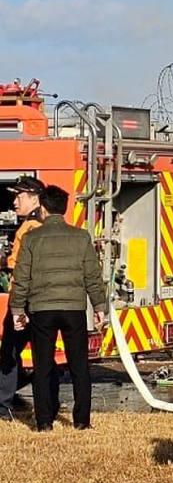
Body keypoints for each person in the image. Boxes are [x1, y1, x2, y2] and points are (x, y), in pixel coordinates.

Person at [10, 185, 107, 431]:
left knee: (43, 366)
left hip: (41, 310)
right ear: (63, 209)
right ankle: (82, 421)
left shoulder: (31, 238)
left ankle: (44, 422)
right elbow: (92, 276)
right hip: (74, 309)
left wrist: (17, 310)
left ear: (42, 208)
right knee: (79, 366)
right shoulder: (81, 237)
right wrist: (99, 305)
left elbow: (22, 278)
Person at [0, 175, 49, 421]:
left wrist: (18, 306)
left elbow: (19, 267)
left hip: (24, 299)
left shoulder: (29, 229)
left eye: (19, 197)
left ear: (34, 198)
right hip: (43, 301)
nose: (14, 202)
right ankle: (48, 406)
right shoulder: (44, 224)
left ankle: (3, 407)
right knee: (43, 355)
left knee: (9, 352)